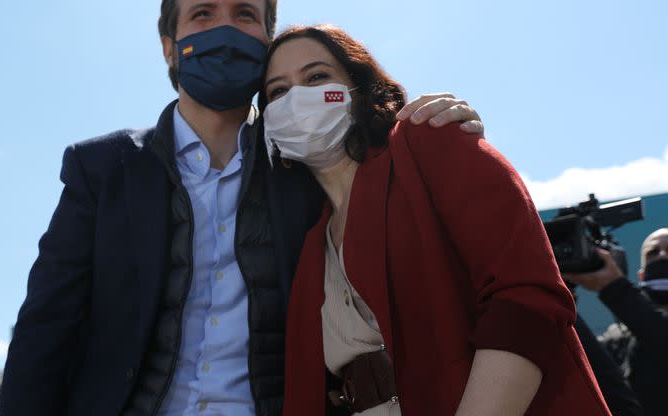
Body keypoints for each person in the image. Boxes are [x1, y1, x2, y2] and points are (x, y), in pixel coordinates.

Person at [0, 0, 484, 416]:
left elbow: (398, 186)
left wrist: (440, 120)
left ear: (267, 44)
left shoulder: (310, 163)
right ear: (170, 47)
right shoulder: (102, 169)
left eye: (245, 15)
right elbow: (47, 327)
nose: (225, 29)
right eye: (203, 15)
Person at [260, 24, 611, 415]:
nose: (297, 99)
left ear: (359, 87)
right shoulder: (309, 243)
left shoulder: (430, 141)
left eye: (316, 77)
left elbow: (527, 298)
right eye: (278, 91)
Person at [565, 228, 668, 416]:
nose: (662, 256)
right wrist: (563, 297)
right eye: (653, 252)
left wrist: (613, 287)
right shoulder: (616, 337)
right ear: (642, 276)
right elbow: (588, 368)